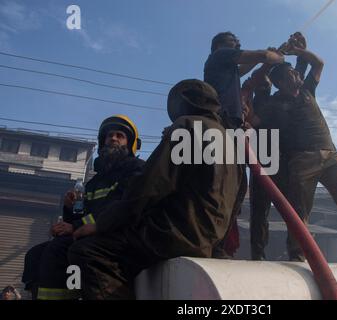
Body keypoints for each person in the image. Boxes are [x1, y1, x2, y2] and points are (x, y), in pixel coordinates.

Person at [68, 79, 247, 300]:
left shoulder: (187, 126)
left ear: (180, 102)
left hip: (171, 235)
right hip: (207, 240)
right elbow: (237, 202)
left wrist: (102, 224)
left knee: (86, 251)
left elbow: (150, 186)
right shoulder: (231, 143)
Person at [250, 33, 337, 263]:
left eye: (296, 71)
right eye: (291, 73)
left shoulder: (308, 89)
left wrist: (299, 52)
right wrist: (243, 103)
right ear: (280, 82)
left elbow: (318, 63)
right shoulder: (274, 103)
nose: (296, 74)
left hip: (331, 156)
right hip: (302, 161)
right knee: (300, 212)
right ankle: (298, 254)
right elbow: (255, 121)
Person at [35, 115, 146, 300]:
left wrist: (75, 226)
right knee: (36, 254)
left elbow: (119, 206)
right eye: (109, 135)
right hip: (93, 234)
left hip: (122, 235)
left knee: (59, 250)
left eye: (120, 135)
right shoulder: (94, 182)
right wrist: (70, 209)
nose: (113, 138)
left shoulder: (136, 169)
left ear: (131, 143)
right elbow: (82, 214)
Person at [204, 31, 285, 129]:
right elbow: (261, 56)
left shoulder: (222, 67)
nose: (239, 44)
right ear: (219, 45)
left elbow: (245, 67)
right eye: (233, 40)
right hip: (222, 119)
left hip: (226, 120)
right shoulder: (219, 54)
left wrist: (272, 54)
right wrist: (279, 57)